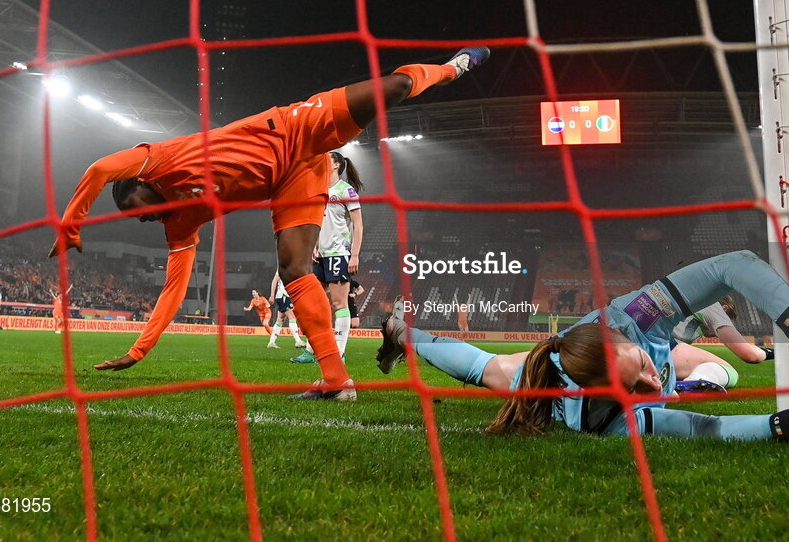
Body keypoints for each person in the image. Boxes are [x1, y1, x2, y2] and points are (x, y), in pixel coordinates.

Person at [48, 47, 490, 402]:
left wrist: (72, 223)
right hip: (292, 181)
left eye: (136, 208)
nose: (142, 217)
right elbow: (173, 289)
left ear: (142, 183)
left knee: (390, 87)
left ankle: (452, 68)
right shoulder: (178, 223)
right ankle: (336, 380)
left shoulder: (159, 160)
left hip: (293, 130)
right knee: (295, 268)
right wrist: (138, 350)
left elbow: (102, 167)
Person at [377, 250, 789, 445]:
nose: (652, 377)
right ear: (613, 393)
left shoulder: (635, 318)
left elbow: (733, 266)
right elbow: (708, 431)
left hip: (578, 348)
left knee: (491, 370)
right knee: (495, 373)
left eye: (645, 367)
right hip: (573, 381)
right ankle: (404, 333)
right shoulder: (612, 420)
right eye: (641, 382)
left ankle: (404, 332)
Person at [291, 151, 363, 364]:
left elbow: (358, 225)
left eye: (327, 159)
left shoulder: (346, 190)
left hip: (339, 252)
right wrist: (314, 246)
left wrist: (355, 255)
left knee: (339, 303)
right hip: (320, 254)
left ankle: (338, 352)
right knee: (315, 303)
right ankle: (311, 350)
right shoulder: (318, 189)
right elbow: (317, 221)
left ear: (336, 165)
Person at [670, 296, 774, 393]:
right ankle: (691, 384)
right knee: (730, 372)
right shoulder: (712, 305)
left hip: (657, 347)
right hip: (665, 348)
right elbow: (751, 355)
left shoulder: (688, 301)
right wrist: (773, 352)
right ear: (724, 309)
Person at [270, 272, 305, 348]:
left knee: (280, 319)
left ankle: (272, 342)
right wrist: (272, 295)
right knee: (292, 317)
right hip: (283, 295)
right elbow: (274, 281)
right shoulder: (282, 267)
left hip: (286, 296)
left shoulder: (292, 267)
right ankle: (297, 340)